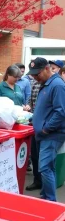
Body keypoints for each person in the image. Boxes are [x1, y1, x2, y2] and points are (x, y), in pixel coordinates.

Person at [28, 57, 65, 201]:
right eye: (33, 74)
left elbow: (61, 111)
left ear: (47, 69)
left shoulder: (57, 85)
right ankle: (46, 197)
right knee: (48, 167)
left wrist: (46, 129)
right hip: (45, 133)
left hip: (51, 134)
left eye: (37, 73)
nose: (35, 77)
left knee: (44, 168)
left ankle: (50, 201)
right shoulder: (46, 83)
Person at [25, 78, 42, 191]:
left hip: (46, 128)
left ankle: (46, 184)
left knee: (45, 159)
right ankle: (37, 181)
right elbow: (30, 102)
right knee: (35, 155)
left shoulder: (55, 85)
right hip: (34, 124)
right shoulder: (34, 84)